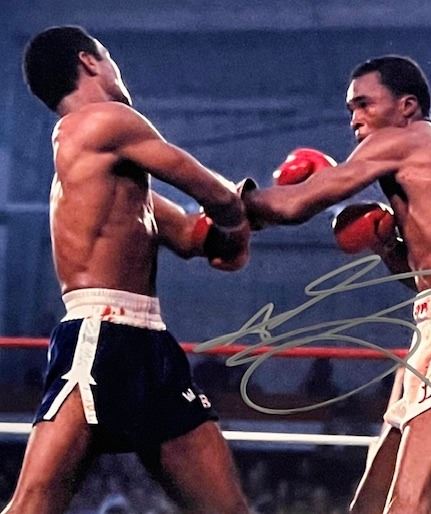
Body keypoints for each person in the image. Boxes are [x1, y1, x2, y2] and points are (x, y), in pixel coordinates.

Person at [241, 55, 431, 512]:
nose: (354, 119)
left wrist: (230, 201)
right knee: (372, 504)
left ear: (407, 106)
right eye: (350, 109)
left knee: (410, 503)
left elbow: (295, 205)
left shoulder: (405, 140)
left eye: (364, 104)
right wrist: (385, 247)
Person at [3, 25, 251, 514]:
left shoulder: (119, 184)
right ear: (89, 61)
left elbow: (202, 240)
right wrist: (254, 204)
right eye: (110, 58)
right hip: (102, 335)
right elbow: (216, 195)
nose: (118, 70)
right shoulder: (102, 121)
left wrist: (237, 228)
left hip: (150, 344)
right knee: (34, 505)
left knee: (227, 509)